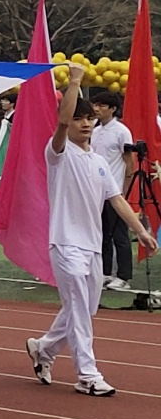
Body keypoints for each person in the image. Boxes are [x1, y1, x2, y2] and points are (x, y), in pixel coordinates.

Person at [28, 63, 159, 397]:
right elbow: (61, 123)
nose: (85, 123)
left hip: (91, 245)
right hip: (65, 243)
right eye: (79, 119)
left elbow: (117, 200)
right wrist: (74, 81)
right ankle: (87, 374)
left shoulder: (99, 162)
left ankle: (44, 348)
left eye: (89, 118)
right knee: (78, 310)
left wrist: (142, 231)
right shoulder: (58, 153)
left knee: (84, 309)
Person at [88, 89, 138, 292]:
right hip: (96, 190)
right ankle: (105, 272)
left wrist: (125, 190)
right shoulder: (94, 129)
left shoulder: (121, 131)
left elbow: (129, 162)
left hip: (115, 189)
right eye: (95, 105)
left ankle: (124, 276)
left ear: (113, 109)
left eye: (101, 106)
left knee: (120, 234)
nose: (96, 109)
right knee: (101, 234)